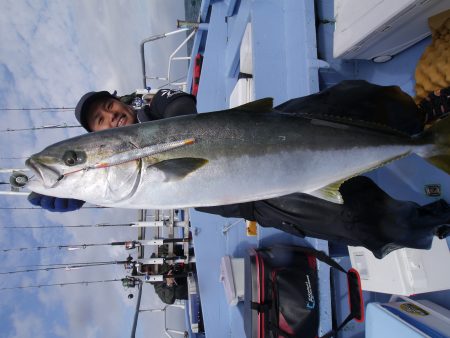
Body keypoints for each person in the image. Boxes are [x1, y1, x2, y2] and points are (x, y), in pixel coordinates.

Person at [28, 82, 450, 258]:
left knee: (327, 106)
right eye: (100, 122)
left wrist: (158, 133)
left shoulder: (157, 104)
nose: (111, 117)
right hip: (250, 199)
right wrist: (78, 193)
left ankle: (420, 117)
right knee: (357, 221)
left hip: (259, 137)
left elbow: (182, 110)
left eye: (109, 107)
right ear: (96, 137)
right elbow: (120, 184)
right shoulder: (114, 172)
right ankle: (433, 221)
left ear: (120, 101)